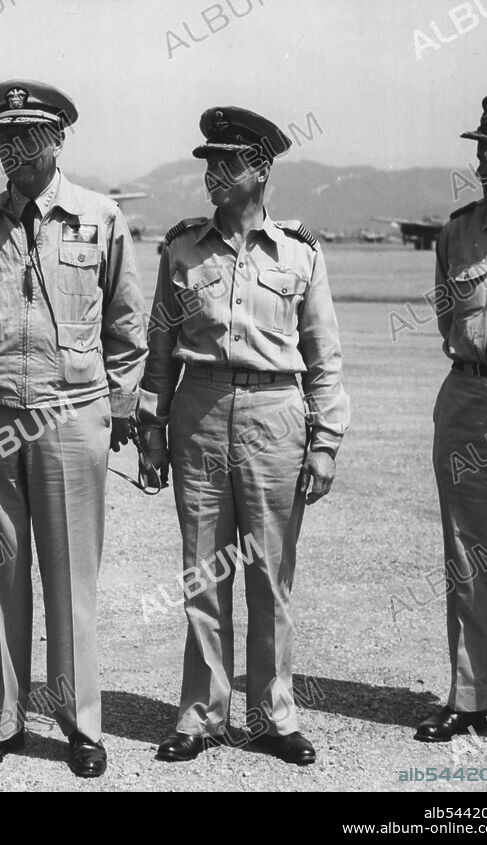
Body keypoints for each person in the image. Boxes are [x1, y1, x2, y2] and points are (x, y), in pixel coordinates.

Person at [0, 79, 147, 778]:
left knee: (71, 573)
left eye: (29, 137)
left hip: (70, 412)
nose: (15, 150)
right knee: (4, 569)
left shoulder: (100, 217)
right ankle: (7, 716)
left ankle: (81, 723)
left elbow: (128, 326)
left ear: (58, 139)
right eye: (4, 139)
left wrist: (120, 404)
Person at [139, 106, 348, 766]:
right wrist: (150, 431)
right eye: (208, 163)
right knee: (203, 574)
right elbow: (159, 351)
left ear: (260, 171)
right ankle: (200, 714)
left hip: (274, 418)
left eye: (227, 163)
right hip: (198, 415)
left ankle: (271, 713)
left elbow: (324, 356)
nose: (213, 175)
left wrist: (324, 440)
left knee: (269, 576)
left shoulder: (301, 254)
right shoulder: (181, 249)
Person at [415, 95, 487, 743]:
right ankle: (468, 699)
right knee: (468, 554)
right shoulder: (458, 232)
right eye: (481, 153)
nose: (485, 164)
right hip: (466, 396)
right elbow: (445, 317)